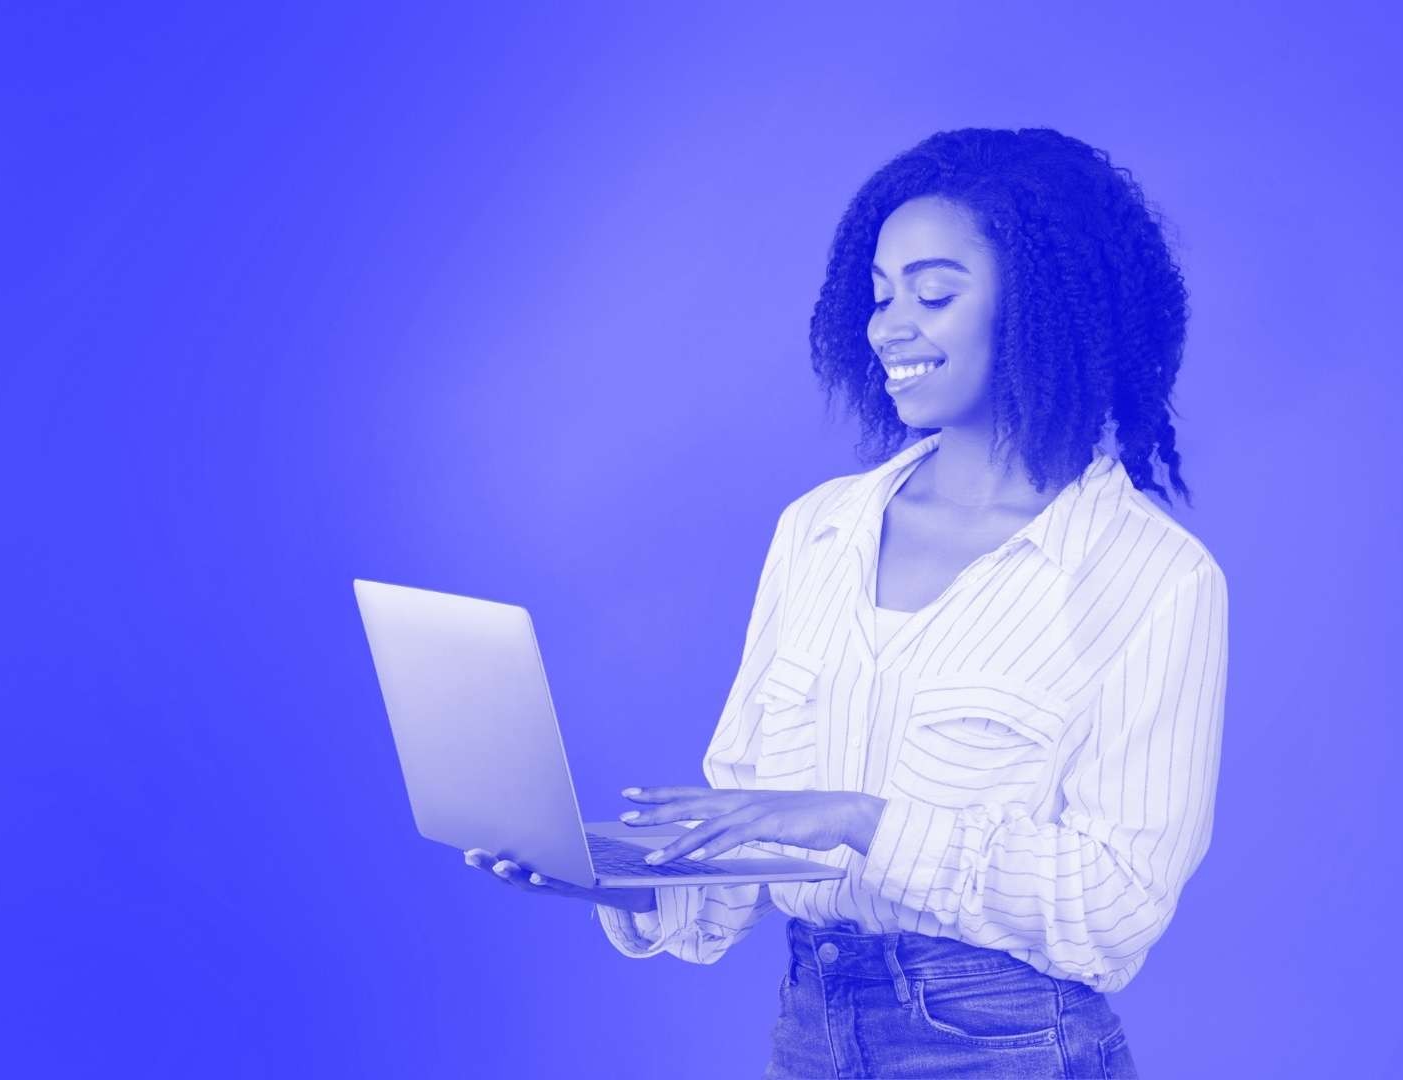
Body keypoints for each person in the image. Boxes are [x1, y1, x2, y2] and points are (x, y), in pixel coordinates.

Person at [465, 127, 1226, 1078]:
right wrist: (615, 875)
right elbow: (751, 843)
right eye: (880, 294)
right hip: (813, 1032)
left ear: (1043, 308)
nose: (887, 326)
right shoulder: (819, 530)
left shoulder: (1152, 575)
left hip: (1009, 1047)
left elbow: (1117, 906)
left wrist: (862, 820)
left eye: (934, 295)